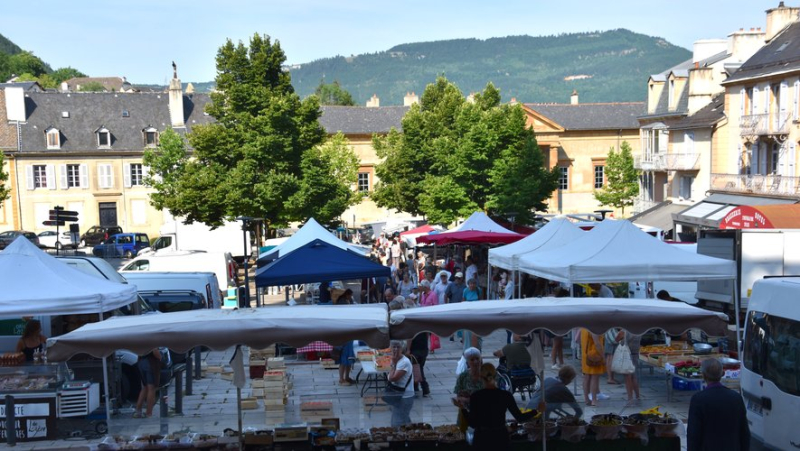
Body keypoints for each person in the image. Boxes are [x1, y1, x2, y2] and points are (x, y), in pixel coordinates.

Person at [467, 363, 539, 450]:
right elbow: (520, 417)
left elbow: (472, 423)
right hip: (500, 436)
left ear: (480, 377)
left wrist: (463, 408)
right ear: (495, 375)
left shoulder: (476, 396)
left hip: (482, 438)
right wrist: (537, 410)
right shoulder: (505, 395)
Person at [687, 358, 750, 451]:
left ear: (704, 376)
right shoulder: (736, 398)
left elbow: (693, 434)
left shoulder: (699, 400)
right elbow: (744, 433)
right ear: (722, 374)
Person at [452, 347, 484, 433]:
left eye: (477, 359)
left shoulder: (488, 375)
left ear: (481, 359)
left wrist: (468, 399)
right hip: (466, 413)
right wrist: (459, 400)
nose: (475, 362)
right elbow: (458, 395)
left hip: (485, 414)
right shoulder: (463, 376)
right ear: (467, 362)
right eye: (472, 360)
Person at [386, 340, 414, 427]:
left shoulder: (404, 362)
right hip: (399, 395)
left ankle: (399, 439)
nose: (395, 349)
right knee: (405, 420)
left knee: (397, 423)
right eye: (393, 347)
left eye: (398, 347)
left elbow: (392, 378)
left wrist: (393, 365)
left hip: (405, 396)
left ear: (403, 349)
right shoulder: (396, 360)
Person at [580, 329, 605, 406]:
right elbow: (597, 344)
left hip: (586, 355)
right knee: (594, 377)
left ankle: (587, 399)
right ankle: (594, 399)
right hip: (594, 356)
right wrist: (603, 357)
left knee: (586, 377)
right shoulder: (593, 329)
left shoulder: (583, 328)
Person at [134, 349, 162, 418]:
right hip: (150, 363)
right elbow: (155, 351)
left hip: (141, 362)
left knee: (145, 387)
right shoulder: (151, 338)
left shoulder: (140, 338)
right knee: (151, 388)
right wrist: (160, 357)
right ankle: (149, 413)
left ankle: (138, 411)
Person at [408, 330, 430, 397]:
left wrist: (408, 349)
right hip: (424, 349)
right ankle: (417, 387)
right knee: (419, 368)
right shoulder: (423, 325)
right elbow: (427, 335)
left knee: (417, 369)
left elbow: (409, 338)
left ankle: (425, 388)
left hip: (415, 350)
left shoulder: (412, 327)